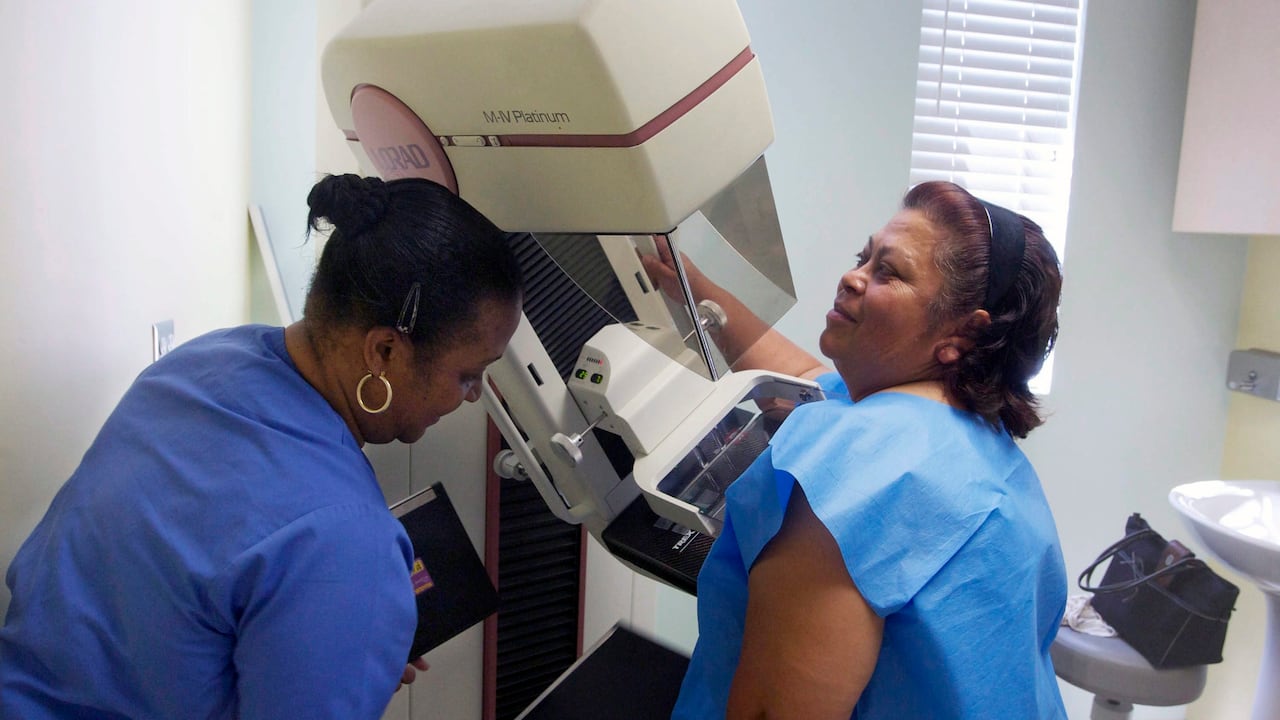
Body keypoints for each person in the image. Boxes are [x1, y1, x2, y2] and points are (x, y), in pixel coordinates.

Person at [0, 175, 524, 719]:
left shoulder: (197, 364)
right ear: (385, 351)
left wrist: (328, 657)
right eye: (469, 374)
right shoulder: (349, 544)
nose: (473, 395)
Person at [647, 180, 1068, 719]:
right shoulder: (961, 436)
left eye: (888, 272)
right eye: (863, 257)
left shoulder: (868, 465)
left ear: (963, 331)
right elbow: (800, 376)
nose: (853, 276)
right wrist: (691, 289)